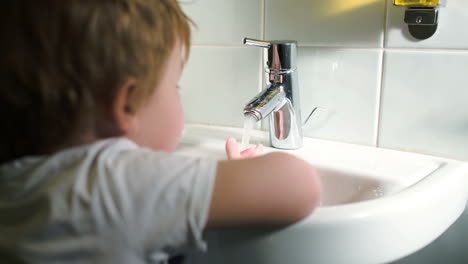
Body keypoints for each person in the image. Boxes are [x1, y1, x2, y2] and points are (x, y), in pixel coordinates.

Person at [0, 0, 321, 263]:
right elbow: (300, 185)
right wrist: (236, 179)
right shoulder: (115, 183)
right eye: (174, 86)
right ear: (127, 103)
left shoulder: (15, 181)